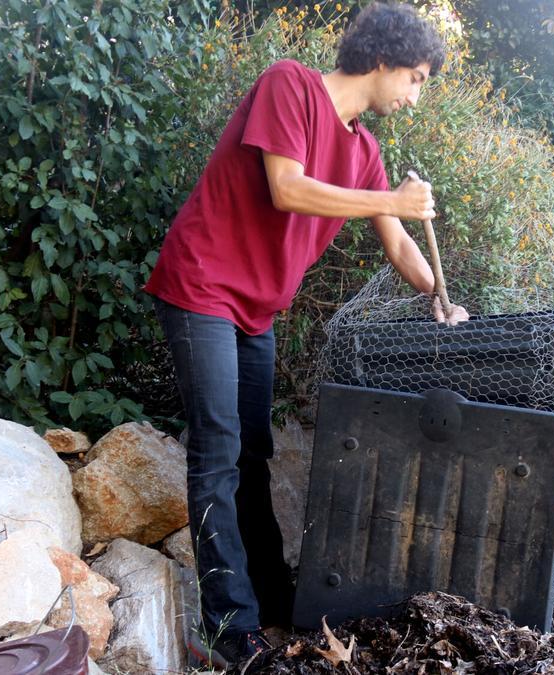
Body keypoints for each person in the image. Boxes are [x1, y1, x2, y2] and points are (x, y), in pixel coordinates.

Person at [144, 2, 468, 667]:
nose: (414, 95)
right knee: (218, 450)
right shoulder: (289, 84)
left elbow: (400, 245)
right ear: (381, 60)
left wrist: (440, 295)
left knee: (253, 454)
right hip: (202, 285)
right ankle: (230, 628)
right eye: (414, 78)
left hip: (256, 311)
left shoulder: (364, 150)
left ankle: (271, 596)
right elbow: (287, 187)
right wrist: (389, 201)